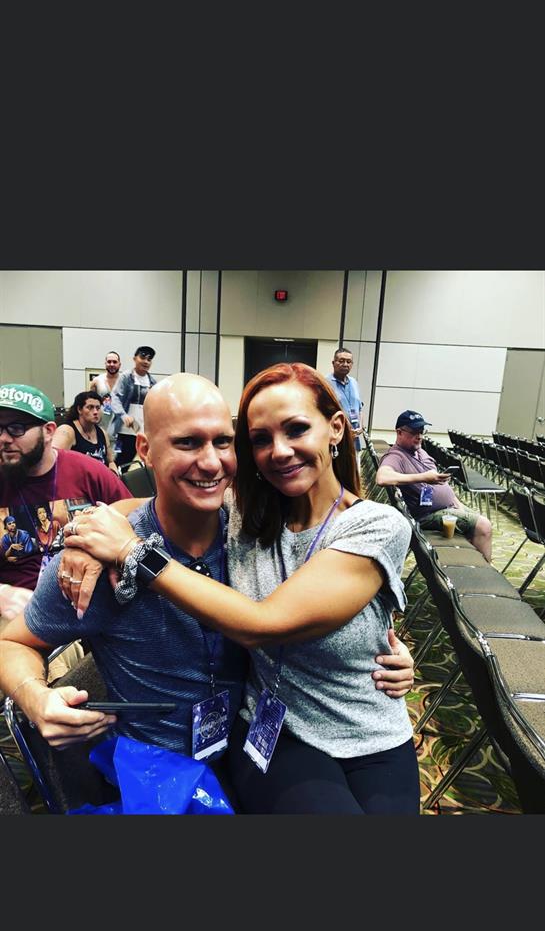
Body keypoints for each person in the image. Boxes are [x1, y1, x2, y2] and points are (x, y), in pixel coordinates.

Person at [0, 373, 414, 814]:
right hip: (159, 777)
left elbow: (288, 610)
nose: (212, 462)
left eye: (223, 442)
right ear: (145, 451)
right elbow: (12, 642)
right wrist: (35, 696)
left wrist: (374, 645)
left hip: (247, 748)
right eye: (187, 443)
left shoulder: (247, 527)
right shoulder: (99, 558)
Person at [0, 382, 130, 627]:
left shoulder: (88, 472)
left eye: (16, 428)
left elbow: (136, 522)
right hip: (17, 611)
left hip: (89, 603)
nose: (4, 439)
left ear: (49, 431)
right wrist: (3, 595)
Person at [376, 410, 493, 561]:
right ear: (399, 432)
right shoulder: (396, 456)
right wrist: (424, 477)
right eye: (414, 432)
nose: (419, 436)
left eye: (421, 431)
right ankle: (483, 575)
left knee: (479, 524)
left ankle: (474, 565)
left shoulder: (421, 452)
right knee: (483, 526)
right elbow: (382, 478)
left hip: (446, 508)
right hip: (427, 516)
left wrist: (457, 504)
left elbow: (442, 486)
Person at [109, 347, 157, 468]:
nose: (146, 361)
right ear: (134, 359)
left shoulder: (152, 382)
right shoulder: (126, 377)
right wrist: (123, 415)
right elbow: (115, 397)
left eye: (149, 359)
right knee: (122, 461)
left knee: (145, 461)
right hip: (126, 429)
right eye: (142, 357)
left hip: (142, 429)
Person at [52, 391, 118, 471]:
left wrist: (114, 475)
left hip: (99, 480)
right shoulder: (67, 431)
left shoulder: (102, 433)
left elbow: (111, 462)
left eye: (98, 408)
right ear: (79, 409)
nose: (95, 412)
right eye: (90, 407)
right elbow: (53, 461)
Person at [328, 347, 365, 453]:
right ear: (333, 363)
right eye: (341, 361)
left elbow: (360, 408)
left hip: (354, 439)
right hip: (337, 439)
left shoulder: (354, 382)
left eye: (349, 362)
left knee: (353, 468)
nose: (345, 364)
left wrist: (361, 427)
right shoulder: (325, 383)